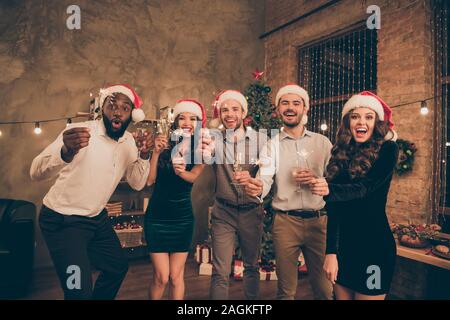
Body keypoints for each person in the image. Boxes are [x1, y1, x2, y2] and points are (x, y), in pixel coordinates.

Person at [30, 84, 151, 299]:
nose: (118, 112)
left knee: (117, 268)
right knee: (77, 291)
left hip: (96, 219)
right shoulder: (79, 133)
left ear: (131, 115)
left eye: (125, 108)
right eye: (112, 105)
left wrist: (143, 155)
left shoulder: (129, 141)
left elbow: (137, 184)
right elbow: (36, 171)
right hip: (62, 221)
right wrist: (65, 152)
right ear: (102, 108)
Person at [244, 84, 333, 300]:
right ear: (277, 109)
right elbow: (264, 179)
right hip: (285, 223)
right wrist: (257, 188)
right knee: (286, 291)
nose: (290, 108)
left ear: (305, 109)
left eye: (296, 103)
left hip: (319, 222)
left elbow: (335, 181)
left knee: (324, 289)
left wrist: (320, 181)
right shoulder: (271, 145)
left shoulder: (323, 143)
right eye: (285, 103)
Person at [317, 91, 398, 300]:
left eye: (368, 117)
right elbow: (334, 208)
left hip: (375, 250)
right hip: (344, 249)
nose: (361, 122)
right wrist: (331, 252)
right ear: (348, 122)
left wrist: (329, 189)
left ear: (377, 122)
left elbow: (366, 188)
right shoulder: (341, 153)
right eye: (355, 116)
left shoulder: (388, 149)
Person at [205, 90, 267, 300]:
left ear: (243, 113)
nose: (229, 114)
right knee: (220, 271)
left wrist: (256, 183)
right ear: (219, 114)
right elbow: (200, 155)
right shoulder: (213, 139)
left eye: (234, 109)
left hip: (252, 212)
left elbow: (267, 175)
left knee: (251, 267)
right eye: (224, 110)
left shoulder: (261, 140)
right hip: (223, 212)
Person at [144, 99, 206, 300]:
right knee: (161, 277)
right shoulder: (163, 143)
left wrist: (181, 172)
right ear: (176, 122)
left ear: (198, 123)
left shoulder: (201, 150)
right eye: (182, 117)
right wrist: (155, 153)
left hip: (182, 219)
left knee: (175, 276)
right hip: (157, 217)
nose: (187, 122)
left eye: (193, 118)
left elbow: (193, 176)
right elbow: (150, 180)